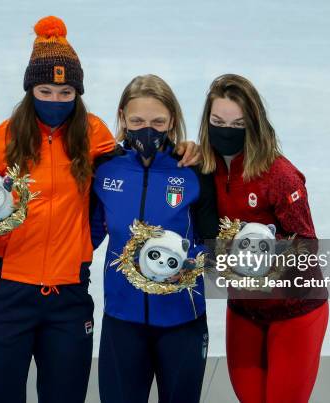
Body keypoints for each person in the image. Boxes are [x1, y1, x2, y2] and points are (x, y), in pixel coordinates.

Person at [0, 17, 200, 403]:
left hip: (68, 299)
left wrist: (183, 150)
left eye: (65, 91)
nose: (55, 100)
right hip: (7, 294)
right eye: (45, 90)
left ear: (78, 92)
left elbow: (136, 166)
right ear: (29, 89)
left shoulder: (94, 135)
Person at [198, 74, 329, 403]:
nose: (226, 130)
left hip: (295, 312)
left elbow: (307, 246)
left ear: (253, 124)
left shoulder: (278, 174)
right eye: (218, 121)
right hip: (244, 312)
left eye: (238, 123)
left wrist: (263, 262)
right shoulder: (202, 167)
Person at [91, 74, 219, 403]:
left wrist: (190, 267)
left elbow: (212, 245)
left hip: (182, 321)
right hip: (122, 320)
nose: (147, 129)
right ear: (122, 117)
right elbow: (84, 237)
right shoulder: (105, 171)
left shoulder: (195, 170)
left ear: (172, 120)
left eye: (158, 121)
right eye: (137, 120)